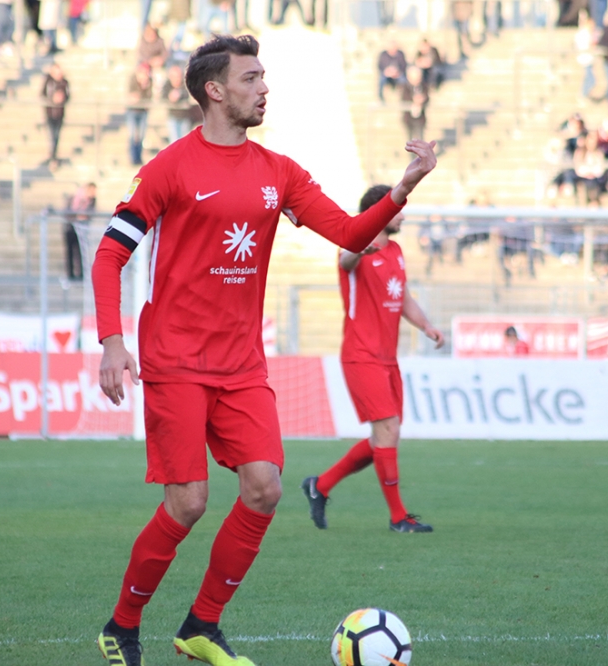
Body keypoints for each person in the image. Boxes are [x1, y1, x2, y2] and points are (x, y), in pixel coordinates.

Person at [91, 34, 437, 666]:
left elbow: (348, 232)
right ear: (214, 90)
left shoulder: (279, 171)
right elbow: (110, 254)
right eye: (250, 78)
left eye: (263, 77)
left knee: (264, 488)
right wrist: (112, 342)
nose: (264, 88)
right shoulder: (169, 168)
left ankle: (202, 626)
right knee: (188, 503)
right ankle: (122, 625)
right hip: (175, 360)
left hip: (242, 364)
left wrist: (403, 187)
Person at [301, 184, 445, 536]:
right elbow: (346, 260)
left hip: (387, 358)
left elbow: (403, 296)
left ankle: (320, 485)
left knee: (385, 437)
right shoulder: (353, 245)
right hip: (361, 356)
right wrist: (360, 248)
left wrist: (426, 326)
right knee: (388, 431)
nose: (402, 216)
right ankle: (398, 518)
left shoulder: (395, 250)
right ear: (380, 210)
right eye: (397, 209)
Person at [64, 181, 95, 279]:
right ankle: (70, 274)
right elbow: (70, 211)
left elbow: (89, 214)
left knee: (80, 251)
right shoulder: (76, 198)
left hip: (82, 228)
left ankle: (81, 273)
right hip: (71, 227)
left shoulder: (92, 200)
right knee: (70, 251)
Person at [40, 62, 69, 166]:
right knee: (52, 134)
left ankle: (54, 155)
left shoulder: (64, 83)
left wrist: (62, 98)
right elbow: (42, 94)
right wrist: (52, 99)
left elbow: (68, 96)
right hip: (50, 112)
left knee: (56, 134)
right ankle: (52, 156)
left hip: (60, 113)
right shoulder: (48, 82)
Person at [161, 62, 196, 143]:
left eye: (178, 76)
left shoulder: (185, 84)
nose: (177, 79)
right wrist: (170, 96)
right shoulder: (167, 84)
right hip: (173, 116)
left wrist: (180, 94)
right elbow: (163, 95)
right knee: (174, 141)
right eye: (174, 76)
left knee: (185, 141)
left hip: (185, 116)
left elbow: (189, 94)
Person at [126, 60, 152, 166]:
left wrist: (145, 86)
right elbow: (131, 96)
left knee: (141, 135)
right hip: (133, 111)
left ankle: (139, 157)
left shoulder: (149, 82)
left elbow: (148, 97)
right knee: (133, 135)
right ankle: (133, 157)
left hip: (143, 111)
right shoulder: (133, 80)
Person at [399, 64, 428, 142]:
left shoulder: (423, 86)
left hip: (420, 118)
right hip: (409, 118)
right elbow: (403, 98)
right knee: (410, 140)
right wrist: (413, 100)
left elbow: (427, 97)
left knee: (420, 139)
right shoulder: (405, 87)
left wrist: (422, 99)